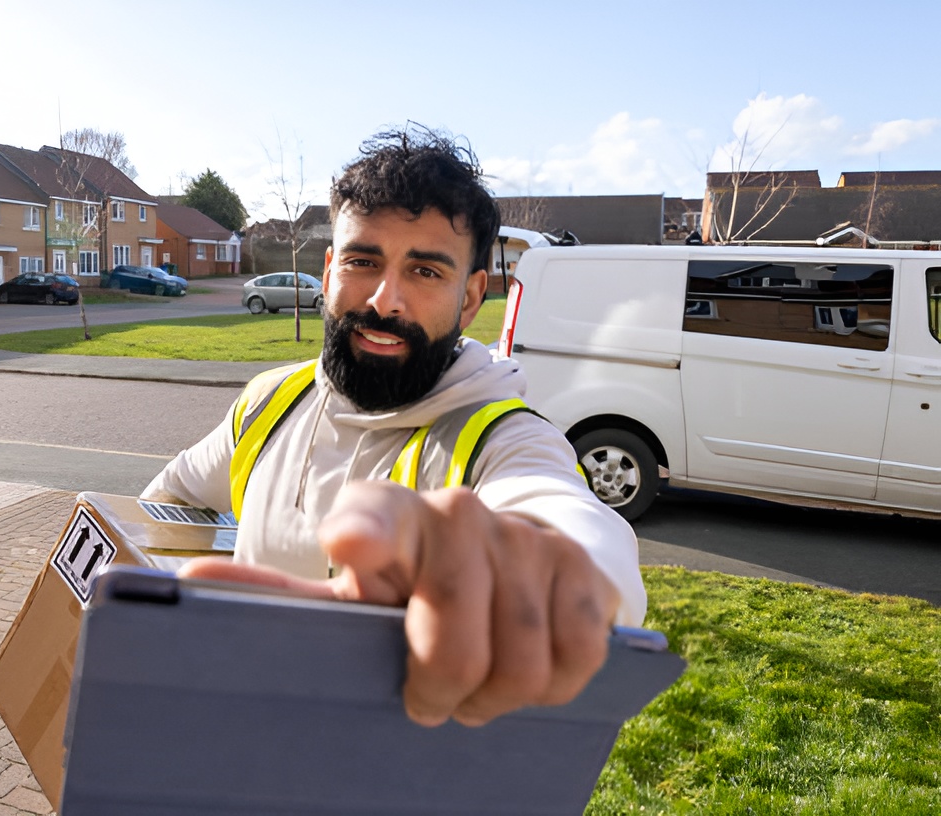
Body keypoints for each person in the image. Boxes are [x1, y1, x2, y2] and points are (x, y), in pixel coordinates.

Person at [142, 126, 646, 728]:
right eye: (363, 261)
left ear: (470, 298)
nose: (385, 300)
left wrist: (555, 577)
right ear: (329, 271)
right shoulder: (269, 401)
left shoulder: (504, 438)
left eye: (426, 272)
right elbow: (169, 500)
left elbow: (568, 523)